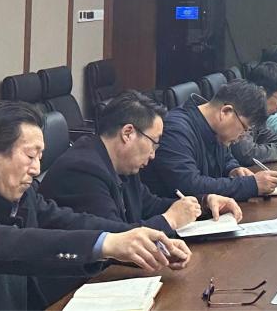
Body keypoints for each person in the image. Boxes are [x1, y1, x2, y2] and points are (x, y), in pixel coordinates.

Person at [0, 101, 191, 310]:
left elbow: (67, 220)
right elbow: (10, 245)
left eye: (40, 157)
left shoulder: (14, 192)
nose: (37, 169)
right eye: (30, 156)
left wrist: (131, 238)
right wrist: (106, 244)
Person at [40, 91, 243, 233]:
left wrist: (204, 203)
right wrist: (169, 221)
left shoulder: (122, 164)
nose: (153, 155)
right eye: (154, 143)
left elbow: (149, 205)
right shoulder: (83, 170)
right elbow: (114, 238)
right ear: (128, 133)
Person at [140, 81, 277, 201]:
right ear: (226, 112)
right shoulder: (175, 130)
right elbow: (190, 186)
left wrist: (233, 169)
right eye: (244, 129)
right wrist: (251, 185)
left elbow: (226, 157)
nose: (242, 137)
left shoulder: (216, 130)